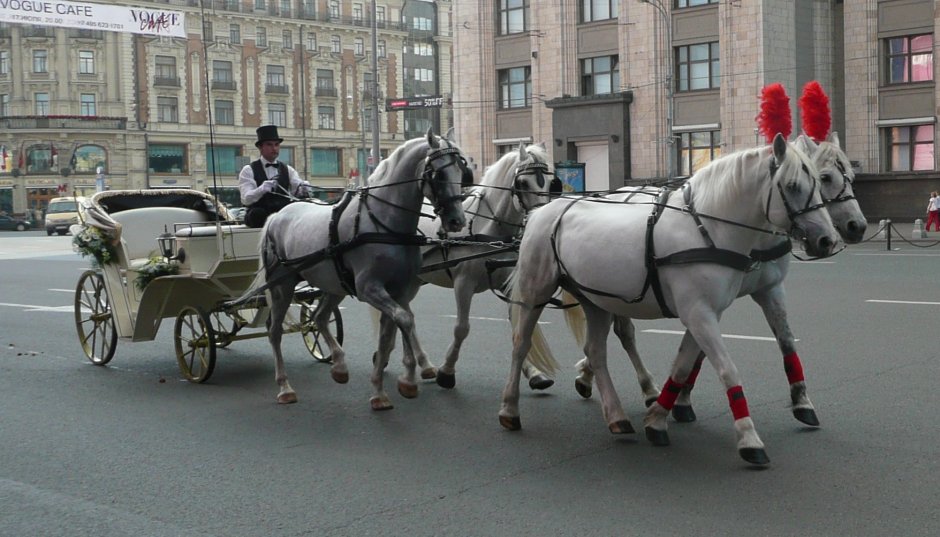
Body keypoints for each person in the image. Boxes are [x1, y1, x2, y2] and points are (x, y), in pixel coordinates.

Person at [238, 125, 311, 228]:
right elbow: (246, 199)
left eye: (276, 145)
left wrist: (303, 189)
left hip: (282, 216)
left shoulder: (288, 169)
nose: (274, 148)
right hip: (260, 218)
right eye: (269, 145)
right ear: (260, 147)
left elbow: (296, 191)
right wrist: (261, 189)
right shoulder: (248, 170)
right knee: (257, 214)